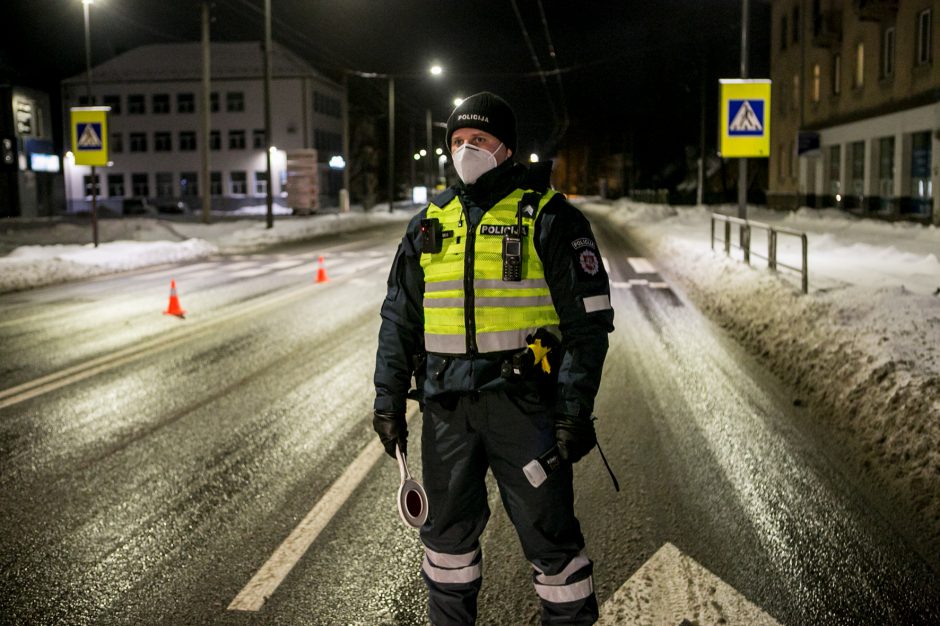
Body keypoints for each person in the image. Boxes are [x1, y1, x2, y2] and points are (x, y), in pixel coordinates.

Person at [373, 91, 614, 625]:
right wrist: (387, 399)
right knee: (445, 552)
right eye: (457, 141)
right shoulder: (428, 224)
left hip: (523, 409)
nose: (465, 150)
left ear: (506, 148)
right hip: (445, 413)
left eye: (477, 140)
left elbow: (586, 325)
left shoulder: (549, 218)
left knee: (553, 549)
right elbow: (399, 319)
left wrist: (574, 409)